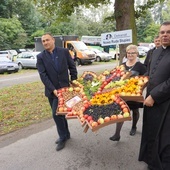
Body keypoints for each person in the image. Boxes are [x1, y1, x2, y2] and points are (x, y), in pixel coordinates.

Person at [36, 33, 78, 151]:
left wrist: (74, 81)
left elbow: (72, 67)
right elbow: (43, 75)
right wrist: (53, 89)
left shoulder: (64, 52)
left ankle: (63, 137)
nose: (45, 43)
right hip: (52, 91)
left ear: (53, 40)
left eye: (47, 40)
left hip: (65, 88)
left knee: (57, 114)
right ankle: (66, 134)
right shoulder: (40, 57)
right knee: (58, 113)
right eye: (43, 41)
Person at [138, 21, 170, 170]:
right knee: (150, 131)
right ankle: (151, 161)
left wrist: (154, 96)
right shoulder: (155, 51)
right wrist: (139, 84)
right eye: (162, 32)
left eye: (168, 32)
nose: (165, 35)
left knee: (164, 138)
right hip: (151, 101)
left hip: (166, 104)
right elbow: (149, 73)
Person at [110, 44, 146, 141]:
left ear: (136, 54)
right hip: (122, 94)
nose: (130, 55)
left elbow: (145, 79)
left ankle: (134, 127)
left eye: (132, 53)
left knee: (135, 111)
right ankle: (117, 134)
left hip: (134, 94)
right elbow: (116, 78)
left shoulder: (140, 66)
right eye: (129, 53)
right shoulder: (122, 66)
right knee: (122, 111)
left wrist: (139, 86)